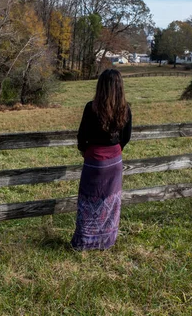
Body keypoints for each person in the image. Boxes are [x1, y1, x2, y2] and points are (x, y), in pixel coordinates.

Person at [72, 69, 132, 251]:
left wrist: (86, 151)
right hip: (115, 160)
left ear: (100, 86)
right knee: (111, 202)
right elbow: (126, 136)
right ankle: (106, 241)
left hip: (94, 159)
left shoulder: (91, 107)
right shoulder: (125, 108)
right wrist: (115, 150)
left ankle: (85, 241)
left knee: (88, 200)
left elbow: (82, 137)